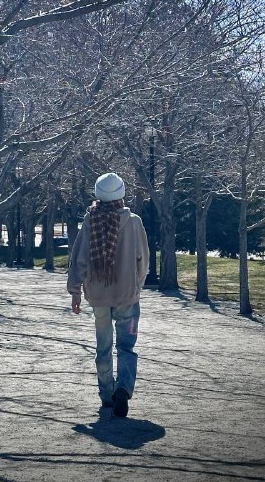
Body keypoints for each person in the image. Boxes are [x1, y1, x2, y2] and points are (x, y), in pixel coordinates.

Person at [67, 172, 149, 417]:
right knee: (127, 346)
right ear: (122, 194)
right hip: (127, 295)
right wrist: (137, 284)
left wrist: (75, 291)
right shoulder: (133, 221)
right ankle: (123, 388)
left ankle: (106, 395)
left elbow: (79, 259)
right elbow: (142, 259)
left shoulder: (90, 221)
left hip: (98, 295)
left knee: (103, 347)